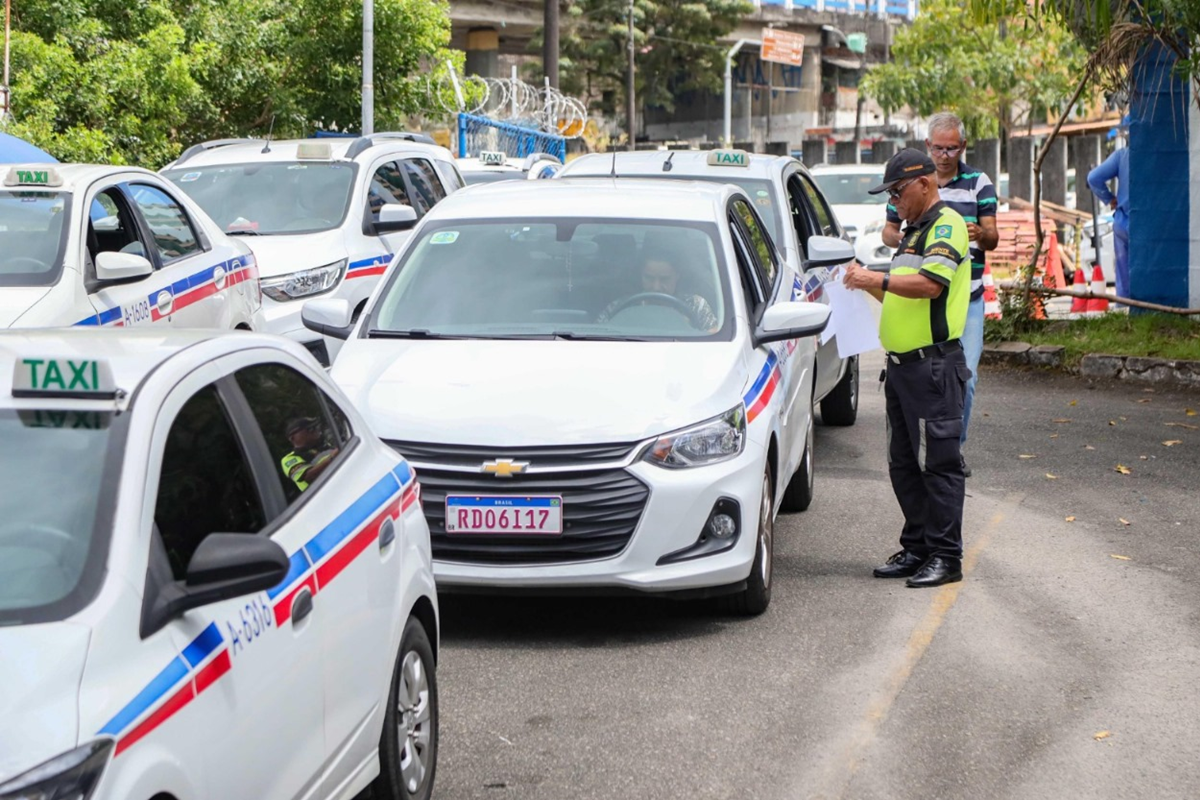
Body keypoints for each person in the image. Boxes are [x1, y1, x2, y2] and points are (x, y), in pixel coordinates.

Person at [843, 148, 972, 588]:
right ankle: (918, 546)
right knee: (902, 462)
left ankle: (945, 556)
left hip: (934, 368)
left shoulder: (946, 225)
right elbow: (901, 294)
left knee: (941, 463)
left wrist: (874, 279)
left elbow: (930, 285)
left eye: (898, 192)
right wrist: (860, 287)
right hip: (901, 369)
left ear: (924, 184)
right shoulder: (913, 232)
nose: (894, 202)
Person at [883, 112, 998, 478]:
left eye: (952, 148)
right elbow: (888, 231)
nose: (945, 154)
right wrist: (906, 239)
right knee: (919, 372)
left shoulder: (978, 182)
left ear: (962, 147)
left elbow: (994, 237)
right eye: (938, 147)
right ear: (928, 145)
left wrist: (977, 234)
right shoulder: (910, 183)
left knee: (967, 376)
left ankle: (952, 449)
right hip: (923, 295)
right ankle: (925, 448)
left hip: (968, 296)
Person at [597, 248, 718, 331]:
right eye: (649, 278)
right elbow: (597, 335)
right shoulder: (621, 307)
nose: (656, 287)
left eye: (664, 279)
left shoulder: (696, 306)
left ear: (677, 276)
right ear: (641, 275)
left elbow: (716, 341)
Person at [1087, 119, 1130, 299]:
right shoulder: (1154, 156)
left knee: (1123, 273)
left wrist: (1110, 198)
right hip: (1145, 223)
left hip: (1122, 221)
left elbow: (1093, 178)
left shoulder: (1122, 156)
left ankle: (1124, 306)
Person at [281, 416, 339, 492]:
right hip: (325, 494)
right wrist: (332, 457)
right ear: (293, 438)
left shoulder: (326, 444)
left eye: (315, 427)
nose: (315, 430)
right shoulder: (290, 458)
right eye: (309, 429)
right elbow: (309, 476)